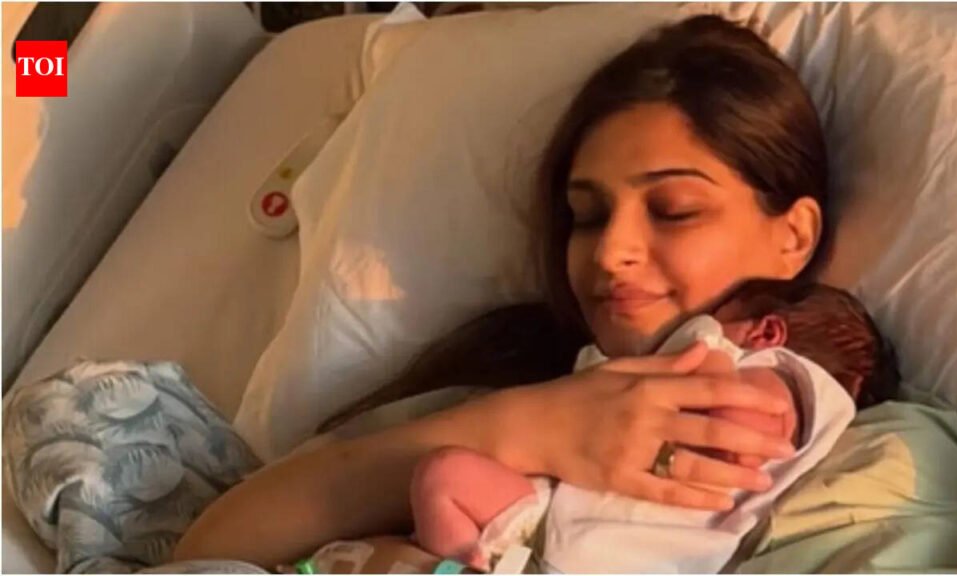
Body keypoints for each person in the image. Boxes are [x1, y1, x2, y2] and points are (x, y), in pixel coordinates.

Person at [174, 14, 839, 569]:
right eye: (587, 216)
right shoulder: (496, 383)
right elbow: (210, 549)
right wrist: (528, 428)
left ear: (794, 235)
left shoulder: (839, 440)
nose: (611, 251)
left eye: (673, 210)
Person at [408, 280, 900, 573]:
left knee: (440, 478)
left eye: (716, 318)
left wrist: (706, 347)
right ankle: (462, 561)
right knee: (441, 476)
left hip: (629, 560)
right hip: (557, 513)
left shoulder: (790, 384)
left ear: (766, 331)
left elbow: (741, 441)